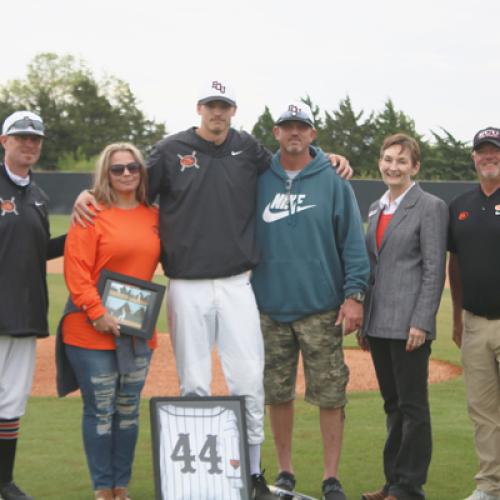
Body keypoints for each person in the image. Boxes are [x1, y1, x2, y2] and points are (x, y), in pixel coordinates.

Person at [73, 80, 352, 499]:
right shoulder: (170, 150)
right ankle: (198, 480)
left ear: (233, 110)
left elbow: (291, 162)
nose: (217, 113)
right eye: (211, 105)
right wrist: (88, 192)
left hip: (239, 283)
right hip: (186, 284)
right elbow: (128, 183)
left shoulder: (248, 149)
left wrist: (328, 158)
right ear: (199, 108)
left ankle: (255, 473)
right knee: (195, 383)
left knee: (248, 381)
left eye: (224, 106)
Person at [250, 102, 369, 500]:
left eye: (302, 126)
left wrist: (354, 296)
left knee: (330, 394)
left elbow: (353, 243)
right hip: (270, 307)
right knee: (277, 392)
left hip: (321, 307)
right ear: (276, 132)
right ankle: (285, 471)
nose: (295, 132)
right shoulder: (257, 176)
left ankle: (331, 476)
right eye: (288, 126)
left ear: (312, 134)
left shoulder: (334, 180)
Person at [59, 143, 160, 500]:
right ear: (106, 173)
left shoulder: (153, 215)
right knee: (101, 410)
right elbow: (77, 271)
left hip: (134, 332)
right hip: (91, 331)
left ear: (141, 171)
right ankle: (103, 489)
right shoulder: (91, 213)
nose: (127, 174)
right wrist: (98, 312)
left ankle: (122, 487)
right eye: (117, 169)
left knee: (128, 411)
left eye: (133, 167)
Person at [359, 134, 448, 500]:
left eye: (401, 160)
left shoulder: (430, 206)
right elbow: (373, 268)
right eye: (387, 159)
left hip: (409, 324)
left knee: (413, 407)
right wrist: (365, 321)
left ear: (415, 167)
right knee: (393, 405)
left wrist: (422, 321)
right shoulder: (377, 208)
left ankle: (409, 487)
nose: (392, 166)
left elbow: (433, 269)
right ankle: (392, 481)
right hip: (379, 324)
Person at [0, 111, 65, 500]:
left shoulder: (38, 197)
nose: (29, 143)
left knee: (10, 400)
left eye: (35, 139)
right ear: (4, 140)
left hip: (24, 313)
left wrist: (84, 234)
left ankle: (4, 482)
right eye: (21, 137)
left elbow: (39, 252)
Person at [448, 127, 500, 500]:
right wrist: (455, 319)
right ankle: (489, 485)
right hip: (474, 323)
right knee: (483, 412)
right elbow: (455, 264)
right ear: (474, 157)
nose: (488, 157)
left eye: (494, 151)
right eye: (482, 152)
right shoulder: (460, 205)